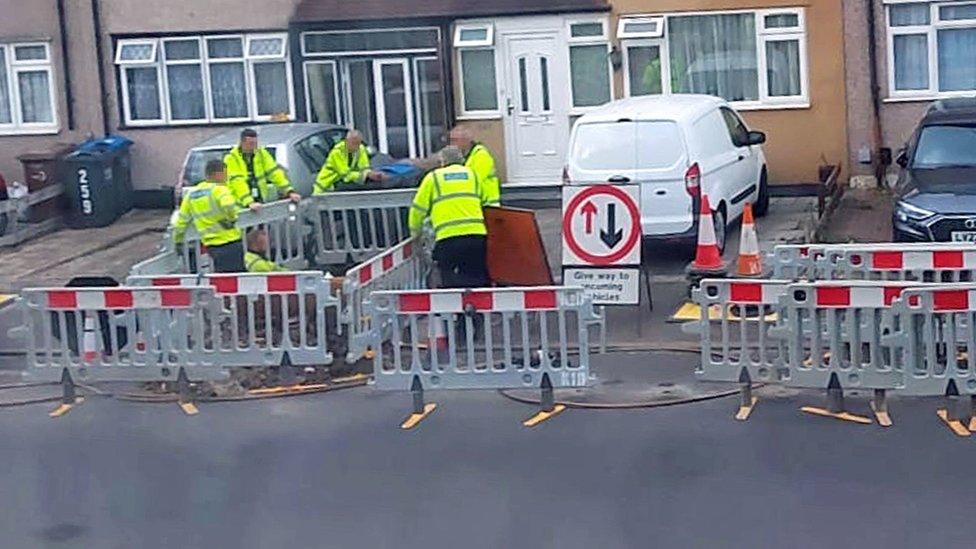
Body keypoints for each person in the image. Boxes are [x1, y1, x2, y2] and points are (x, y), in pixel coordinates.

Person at [409, 146, 492, 288]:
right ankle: (478, 308)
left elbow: (418, 210)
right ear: (462, 161)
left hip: (448, 239)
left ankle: (454, 308)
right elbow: (484, 200)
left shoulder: (433, 178)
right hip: (476, 236)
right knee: (476, 277)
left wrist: (415, 233)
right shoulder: (473, 175)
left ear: (442, 161)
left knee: (448, 279)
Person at [172, 160, 245, 273]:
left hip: (211, 245)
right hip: (230, 240)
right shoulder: (219, 189)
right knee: (237, 277)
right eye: (225, 173)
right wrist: (231, 219)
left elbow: (181, 221)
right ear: (218, 174)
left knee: (222, 275)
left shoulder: (191, 195)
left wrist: (178, 241)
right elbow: (229, 204)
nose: (226, 177)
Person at [225, 128, 300, 211]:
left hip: (259, 202)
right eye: (251, 143)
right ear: (242, 143)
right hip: (240, 206)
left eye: (255, 143)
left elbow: (274, 173)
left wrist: (289, 191)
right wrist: (249, 202)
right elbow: (238, 182)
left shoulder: (261, 153)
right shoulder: (231, 159)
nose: (254, 147)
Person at [313, 129, 384, 194]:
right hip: (324, 187)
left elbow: (364, 167)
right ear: (346, 141)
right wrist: (365, 175)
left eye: (358, 143)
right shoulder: (337, 152)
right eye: (353, 143)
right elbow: (345, 174)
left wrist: (371, 174)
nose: (355, 147)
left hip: (338, 187)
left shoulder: (361, 149)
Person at [449, 127, 501, 207]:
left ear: (466, 140)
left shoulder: (481, 155)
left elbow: (474, 180)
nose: (451, 144)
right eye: (451, 140)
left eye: (455, 140)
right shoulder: (465, 156)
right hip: (476, 201)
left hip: (487, 203)